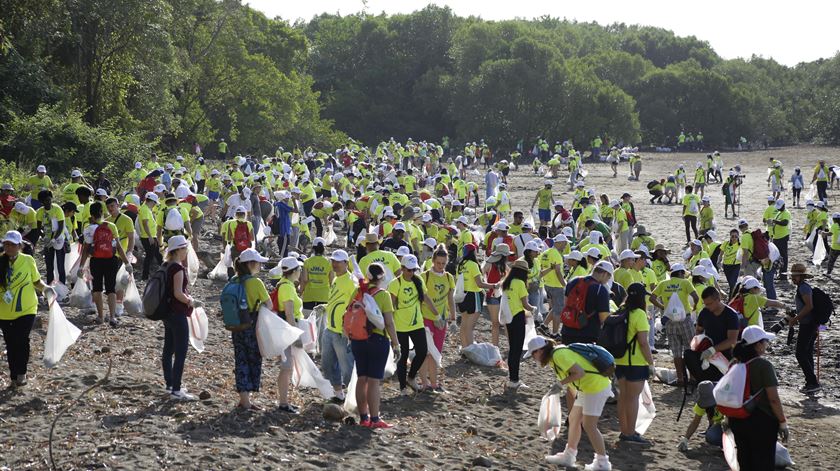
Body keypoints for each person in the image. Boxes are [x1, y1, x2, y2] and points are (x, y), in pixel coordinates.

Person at [528, 337, 613, 471]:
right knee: (574, 419)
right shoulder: (554, 358)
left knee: (589, 425)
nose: (534, 358)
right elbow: (574, 378)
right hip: (586, 387)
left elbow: (579, 372)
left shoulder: (558, 355)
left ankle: (603, 463)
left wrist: (560, 384)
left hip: (596, 387)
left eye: (533, 354)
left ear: (539, 351)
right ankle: (569, 456)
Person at [728, 326, 789, 470]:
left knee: (745, 462)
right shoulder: (764, 365)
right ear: (758, 345)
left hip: (737, 419)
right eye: (765, 341)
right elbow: (773, 399)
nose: (767, 344)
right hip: (762, 422)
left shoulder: (734, 363)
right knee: (763, 463)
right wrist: (782, 422)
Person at [353, 263, 401, 428]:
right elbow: (389, 323)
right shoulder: (383, 295)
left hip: (358, 339)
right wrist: (396, 344)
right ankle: (374, 419)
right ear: (382, 278)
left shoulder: (358, 291)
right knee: (373, 381)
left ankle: (363, 418)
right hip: (377, 340)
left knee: (361, 378)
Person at [0, 231, 50, 387]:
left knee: (22, 340)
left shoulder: (28, 260)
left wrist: (47, 289)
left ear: (19, 246)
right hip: (5, 312)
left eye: (12, 244)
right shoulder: (0, 262)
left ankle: (21, 373)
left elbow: (36, 281)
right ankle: (13, 375)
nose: (9, 247)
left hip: (27, 308)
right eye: (6, 244)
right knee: (10, 343)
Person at [389, 254, 438, 394]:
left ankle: (411, 377)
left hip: (416, 324)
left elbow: (426, 299)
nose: (411, 273)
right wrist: (389, 327)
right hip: (400, 326)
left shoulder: (418, 281)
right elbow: (391, 306)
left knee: (422, 351)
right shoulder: (395, 283)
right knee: (402, 356)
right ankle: (403, 387)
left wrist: (437, 315)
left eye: (413, 270)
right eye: (408, 270)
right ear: (402, 268)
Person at [231, 248, 272, 410]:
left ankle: (244, 398)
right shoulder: (256, 283)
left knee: (240, 358)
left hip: (236, 324)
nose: (260, 266)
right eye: (258, 263)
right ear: (251, 264)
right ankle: (247, 399)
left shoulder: (234, 280)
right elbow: (269, 305)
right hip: (252, 324)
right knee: (253, 358)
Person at [78, 201, 131, 326]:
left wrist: (81, 266)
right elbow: (118, 247)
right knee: (111, 289)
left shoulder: (88, 229)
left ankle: (100, 317)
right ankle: (112, 317)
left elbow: (86, 249)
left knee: (97, 288)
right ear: (102, 212)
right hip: (111, 259)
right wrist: (127, 263)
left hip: (96, 260)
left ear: (91, 214)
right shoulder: (111, 226)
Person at [615, 283, 654, 444]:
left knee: (622, 397)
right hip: (636, 362)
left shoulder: (620, 311)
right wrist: (651, 363)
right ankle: (630, 433)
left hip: (620, 360)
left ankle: (624, 430)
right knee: (632, 399)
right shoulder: (639, 314)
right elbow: (643, 342)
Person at [159, 236, 197, 400]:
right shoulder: (178, 268)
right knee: (180, 351)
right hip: (177, 312)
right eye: (185, 249)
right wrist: (191, 301)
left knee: (168, 349)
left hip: (166, 312)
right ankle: (176, 389)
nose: (186, 252)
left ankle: (170, 384)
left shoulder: (165, 265)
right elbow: (178, 293)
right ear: (179, 250)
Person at [650, 264, 699, 386]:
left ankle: (680, 378)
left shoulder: (663, 284)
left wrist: (663, 307)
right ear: (681, 273)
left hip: (670, 321)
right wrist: (694, 307)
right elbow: (696, 297)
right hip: (685, 320)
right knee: (690, 349)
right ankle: (692, 377)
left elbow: (652, 298)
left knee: (676, 352)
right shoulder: (685, 283)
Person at [418, 246, 456, 392]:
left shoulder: (448, 277)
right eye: (438, 263)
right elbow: (423, 298)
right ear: (433, 261)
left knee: (436, 353)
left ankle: (433, 383)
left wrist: (453, 318)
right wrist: (434, 315)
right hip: (426, 318)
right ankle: (424, 383)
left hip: (442, 320)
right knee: (426, 352)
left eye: (443, 263)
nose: (441, 266)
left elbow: (450, 299)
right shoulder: (425, 276)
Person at [319, 249, 355, 400]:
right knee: (327, 365)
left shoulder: (351, 281)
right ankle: (339, 394)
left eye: (338, 261)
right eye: (333, 261)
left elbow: (355, 305)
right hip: (330, 328)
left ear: (346, 263)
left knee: (347, 368)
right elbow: (336, 301)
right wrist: (325, 306)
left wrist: (348, 327)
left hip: (342, 331)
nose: (334, 264)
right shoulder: (335, 279)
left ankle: (354, 397)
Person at [271, 256, 304, 413]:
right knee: (286, 367)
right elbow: (289, 314)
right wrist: (296, 336)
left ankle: (284, 400)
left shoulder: (284, 285)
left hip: (283, 330)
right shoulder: (288, 287)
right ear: (295, 271)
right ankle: (283, 403)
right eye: (300, 269)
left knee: (287, 367)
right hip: (286, 331)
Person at [786, 263, 822, 393]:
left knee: (800, 353)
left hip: (808, 325)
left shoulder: (803, 288)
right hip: (810, 324)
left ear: (801, 276)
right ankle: (811, 383)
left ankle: (812, 382)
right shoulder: (802, 287)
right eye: (792, 276)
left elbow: (809, 306)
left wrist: (796, 319)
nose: (793, 278)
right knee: (806, 353)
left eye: (795, 276)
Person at [501, 259, 534, 389]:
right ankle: (514, 380)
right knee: (517, 349)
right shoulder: (520, 283)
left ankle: (512, 378)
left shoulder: (507, 282)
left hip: (509, 317)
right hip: (518, 316)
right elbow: (526, 304)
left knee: (512, 349)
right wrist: (534, 309)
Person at [457, 243, 497, 347]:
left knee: (464, 324)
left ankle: (465, 348)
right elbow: (479, 283)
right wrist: (494, 286)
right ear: (473, 252)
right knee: (470, 327)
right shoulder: (473, 265)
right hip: (473, 295)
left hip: (462, 295)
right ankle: (471, 350)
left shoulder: (460, 265)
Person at [695, 287, 740, 360]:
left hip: (726, 354)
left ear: (718, 299)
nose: (707, 306)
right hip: (707, 350)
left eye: (709, 304)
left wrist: (713, 350)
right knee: (688, 354)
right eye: (705, 304)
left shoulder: (731, 315)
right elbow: (698, 330)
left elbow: (732, 340)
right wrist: (699, 344)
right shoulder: (704, 312)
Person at [677, 380, 723, 451]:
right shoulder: (702, 403)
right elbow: (695, 422)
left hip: (734, 423)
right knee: (711, 436)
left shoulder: (725, 396)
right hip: (721, 425)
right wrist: (685, 439)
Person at [35, 190, 66, 285]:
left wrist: (54, 238)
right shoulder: (40, 212)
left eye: (49, 200)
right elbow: (39, 227)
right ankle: (49, 287)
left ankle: (62, 287)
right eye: (45, 201)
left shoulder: (57, 209)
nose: (48, 202)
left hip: (59, 239)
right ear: (41, 202)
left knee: (60, 266)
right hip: (48, 240)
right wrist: (44, 237)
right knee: (49, 266)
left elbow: (61, 226)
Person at [482, 244, 510, 346]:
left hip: (499, 295)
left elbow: (509, 274)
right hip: (493, 295)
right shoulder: (490, 263)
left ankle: (503, 345)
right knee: (496, 323)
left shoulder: (503, 265)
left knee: (502, 322)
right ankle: (496, 346)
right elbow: (481, 274)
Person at [720, 229, 741, 298]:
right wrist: (719, 261)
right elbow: (721, 254)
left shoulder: (740, 245)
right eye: (732, 236)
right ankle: (735, 296)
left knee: (732, 283)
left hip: (736, 265)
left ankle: (731, 299)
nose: (734, 238)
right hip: (726, 266)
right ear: (730, 236)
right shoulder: (726, 243)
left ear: (738, 237)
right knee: (730, 283)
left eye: (736, 236)